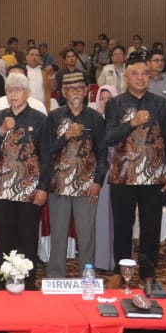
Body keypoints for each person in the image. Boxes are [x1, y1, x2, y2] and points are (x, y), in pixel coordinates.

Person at [105, 59, 166, 281]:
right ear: (126, 78)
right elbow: (109, 137)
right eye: (135, 73)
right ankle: (120, 271)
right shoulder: (115, 104)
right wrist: (132, 123)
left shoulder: (161, 104)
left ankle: (148, 271)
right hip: (123, 177)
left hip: (154, 178)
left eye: (145, 73)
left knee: (151, 227)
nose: (140, 77)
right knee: (122, 227)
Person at [0, 73, 49, 287]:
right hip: (2, 189)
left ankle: (28, 284)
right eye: (9, 90)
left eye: (17, 90)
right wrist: (2, 130)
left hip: (30, 191)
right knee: (5, 238)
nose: (13, 94)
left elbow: (46, 156)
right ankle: (3, 283)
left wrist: (43, 187)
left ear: (27, 93)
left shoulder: (40, 119)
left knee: (28, 239)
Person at [43, 71, 107, 279]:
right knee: (58, 235)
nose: (75, 92)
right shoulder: (54, 117)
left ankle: (87, 277)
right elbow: (46, 151)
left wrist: (98, 182)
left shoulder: (95, 118)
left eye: (79, 88)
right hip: (58, 185)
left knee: (86, 236)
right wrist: (66, 136)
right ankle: (55, 277)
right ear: (63, 92)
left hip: (86, 187)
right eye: (70, 89)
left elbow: (102, 154)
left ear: (86, 91)